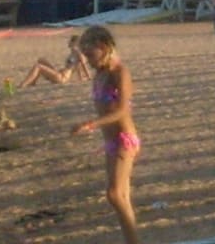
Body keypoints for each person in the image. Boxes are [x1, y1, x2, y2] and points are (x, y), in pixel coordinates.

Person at [70, 25, 140, 244]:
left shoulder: (120, 72)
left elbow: (122, 110)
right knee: (121, 197)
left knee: (114, 194)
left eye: (90, 55)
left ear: (103, 47)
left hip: (124, 139)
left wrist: (91, 124)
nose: (89, 61)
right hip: (110, 142)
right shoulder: (99, 74)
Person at [18, 34, 90, 87]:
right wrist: (80, 77)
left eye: (70, 41)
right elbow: (77, 66)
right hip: (59, 73)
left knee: (38, 66)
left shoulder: (78, 53)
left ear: (75, 43)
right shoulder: (73, 52)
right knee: (41, 60)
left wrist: (88, 76)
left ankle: (23, 84)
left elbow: (83, 65)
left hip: (62, 78)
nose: (68, 43)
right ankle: (33, 82)